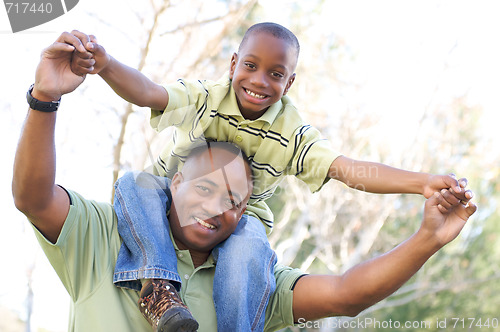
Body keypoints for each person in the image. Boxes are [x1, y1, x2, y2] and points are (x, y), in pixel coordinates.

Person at [12, 32, 477, 332]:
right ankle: (157, 285)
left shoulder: (251, 268)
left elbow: (347, 178)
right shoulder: (105, 238)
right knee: (135, 184)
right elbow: (149, 94)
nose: (216, 207)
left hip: (250, 233)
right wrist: (84, 76)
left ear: (289, 83)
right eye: (205, 189)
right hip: (152, 200)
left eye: (276, 74)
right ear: (233, 63)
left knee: (251, 245)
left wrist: (422, 200)